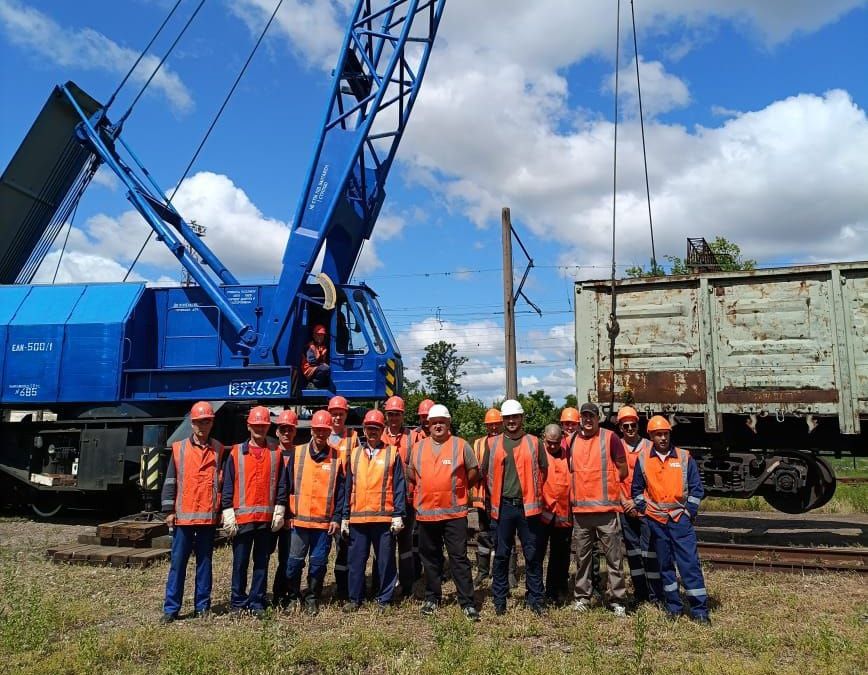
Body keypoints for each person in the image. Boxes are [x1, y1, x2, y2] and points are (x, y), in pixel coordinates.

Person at [632, 415, 710, 624]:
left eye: (665, 434)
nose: (663, 438)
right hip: (657, 521)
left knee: (689, 565)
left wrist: (688, 513)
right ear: (651, 436)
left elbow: (696, 489)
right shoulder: (643, 459)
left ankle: (700, 611)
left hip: (680, 520)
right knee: (665, 567)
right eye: (658, 434)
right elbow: (637, 491)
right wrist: (646, 510)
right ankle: (674, 607)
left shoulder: (684, 457)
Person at [407, 404, 480, 621]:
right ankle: (432, 598)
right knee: (430, 559)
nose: (438, 425)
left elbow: (473, 472)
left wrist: (459, 490)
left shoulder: (461, 445)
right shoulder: (418, 448)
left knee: (458, 558)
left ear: (449, 423)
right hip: (427, 514)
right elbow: (412, 474)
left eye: (442, 422)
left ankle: (467, 602)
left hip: (454, 515)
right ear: (428, 425)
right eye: (434, 422)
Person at [160, 401, 225, 623]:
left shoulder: (219, 449)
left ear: (212, 423)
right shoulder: (179, 449)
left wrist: (221, 510)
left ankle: (202, 606)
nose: (202, 426)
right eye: (198, 422)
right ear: (192, 423)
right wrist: (168, 510)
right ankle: (171, 609)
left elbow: (222, 483)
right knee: (178, 564)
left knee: (204, 564)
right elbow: (170, 480)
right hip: (184, 517)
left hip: (207, 517)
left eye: (206, 422)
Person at [482, 399, 548, 615]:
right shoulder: (492, 444)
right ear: (503, 420)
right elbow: (485, 472)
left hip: (528, 508)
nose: (511, 421)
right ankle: (499, 600)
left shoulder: (534, 442)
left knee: (532, 555)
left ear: (522, 418)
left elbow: (544, 471)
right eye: (508, 417)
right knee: (501, 555)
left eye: (515, 417)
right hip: (503, 507)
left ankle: (535, 599)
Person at [221, 406, 286, 618]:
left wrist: (280, 506)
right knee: (240, 563)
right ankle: (238, 602)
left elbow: (282, 483)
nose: (260, 429)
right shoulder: (236, 453)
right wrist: (227, 509)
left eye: (263, 425)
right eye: (256, 425)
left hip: (265, 520)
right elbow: (228, 483)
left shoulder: (276, 453)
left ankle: (257, 601)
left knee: (261, 563)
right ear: (249, 426)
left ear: (268, 427)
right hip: (243, 520)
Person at [341, 409, 406, 612]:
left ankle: (384, 599)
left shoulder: (392, 453)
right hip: (358, 518)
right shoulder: (354, 454)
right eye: (369, 428)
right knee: (356, 561)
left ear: (382, 429)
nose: (372, 431)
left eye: (376, 428)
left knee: (385, 562)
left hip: (383, 518)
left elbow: (399, 486)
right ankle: (355, 598)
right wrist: (344, 516)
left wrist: (398, 514)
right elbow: (348, 487)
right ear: (364, 429)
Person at [569, 402, 629, 616]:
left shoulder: (610, 438)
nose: (587, 419)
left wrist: (609, 487)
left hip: (606, 511)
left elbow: (623, 469)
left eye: (591, 416)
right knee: (582, 558)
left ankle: (617, 600)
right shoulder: (572, 440)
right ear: (580, 418)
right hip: (581, 512)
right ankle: (582, 598)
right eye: (584, 416)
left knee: (614, 558)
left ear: (597, 418)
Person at [284, 410, 345, 615]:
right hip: (298, 522)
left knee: (318, 564)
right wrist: (286, 514)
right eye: (317, 430)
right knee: (294, 563)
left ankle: (312, 597)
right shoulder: (297, 453)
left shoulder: (337, 456)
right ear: (311, 430)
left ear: (329, 432)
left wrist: (337, 518)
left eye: (324, 430)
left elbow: (341, 492)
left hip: (323, 524)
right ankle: (293, 597)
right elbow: (287, 485)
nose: (320, 434)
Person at [616, 405, 656, 605]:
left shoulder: (649, 447)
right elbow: (613, 479)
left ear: (638, 425)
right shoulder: (616, 447)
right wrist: (624, 502)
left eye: (633, 425)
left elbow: (656, 480)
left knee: (650, 551)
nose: (630, 429)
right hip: (625, 508)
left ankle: (655, 593)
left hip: (646, 507)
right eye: (626, 426)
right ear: (620, 428)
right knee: (632, 551)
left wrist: (637, 501)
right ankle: (640, 593)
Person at [383, 395, 419, 599]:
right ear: (386, 416)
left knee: (405, 545)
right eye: (391, 414)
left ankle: (407, 586)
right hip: (384, 501)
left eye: (397, 414)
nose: (394, 418)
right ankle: (384, 585)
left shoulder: (413, 437)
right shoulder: (379, 435)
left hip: (407, 500)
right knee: (385, 546)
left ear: (403, 415)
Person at [328, 395, 359, 600]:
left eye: (341, 414)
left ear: (346, 414)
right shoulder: (322, 433)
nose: (337, 417)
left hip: (346, 494)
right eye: (334, 414)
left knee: (344, 544)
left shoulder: (353, 437)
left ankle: (343, 587)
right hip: (326, 495)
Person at [539, 424, 572, 606]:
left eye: (556, 443)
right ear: (544, 438)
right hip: (542, 515)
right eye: (549, 442)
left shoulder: (569, 456)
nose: (552, 446)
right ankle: (536, 592)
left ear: (562, 440)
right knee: (537, 554)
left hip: (563, 515)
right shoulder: (538, 454)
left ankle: (556, 591)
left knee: (560, 556)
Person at [471, 408, 502, 586]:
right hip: (484, 497)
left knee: (504, 535)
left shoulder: (507, 442)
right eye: (490, 425)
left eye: (496, 424)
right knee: (483, 534)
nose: (494, 428)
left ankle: (507, 572)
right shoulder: (478, 444)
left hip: (502, 497)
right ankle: (482, 571)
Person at [271, 409, 298, 608]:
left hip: (290, 516)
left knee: (288, 557)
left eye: (290, 429)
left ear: (295, 431)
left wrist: (290, 514)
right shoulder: (270, 453)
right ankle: (262, 595)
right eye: (283, 429)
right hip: (270, 513)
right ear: (277, 432)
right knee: (263, 557)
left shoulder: (300, 454)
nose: (286, 433)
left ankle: (284, 593)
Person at [301, 324, 330, 389]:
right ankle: (313, 384)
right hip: (309, 369)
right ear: (314, 335)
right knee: (325, 368)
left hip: (316, 368)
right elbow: (312, 362)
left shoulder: (322, 347)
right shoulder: (310, 346)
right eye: (318, 335)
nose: (320, 337)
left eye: (322, 335)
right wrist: (322, 364)